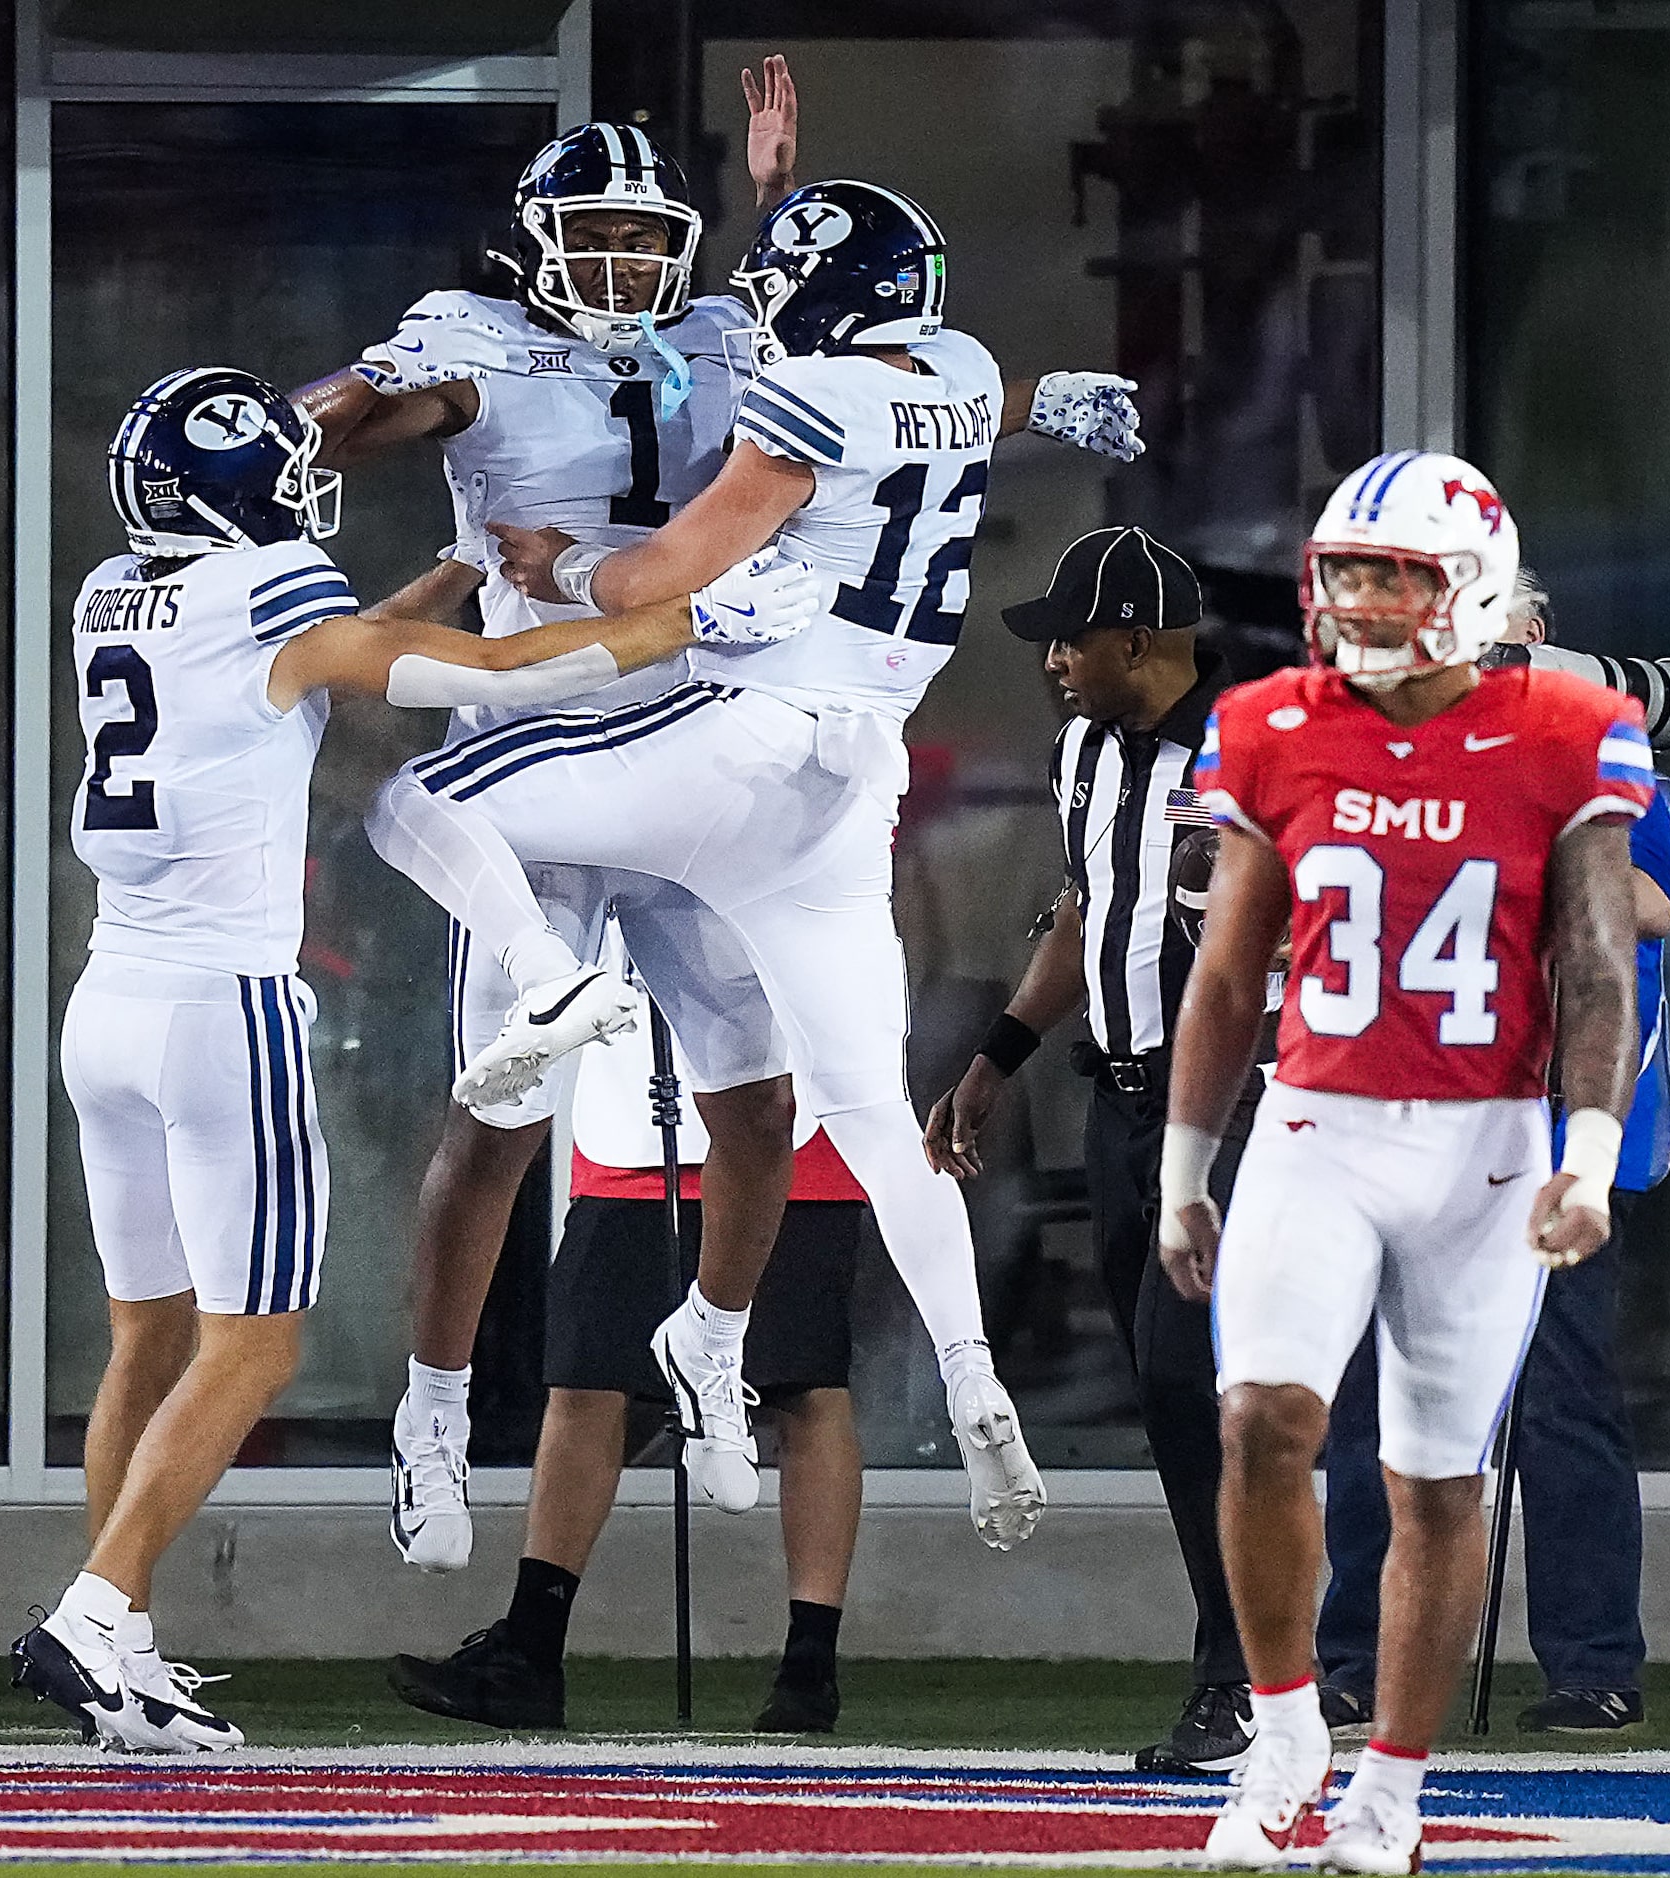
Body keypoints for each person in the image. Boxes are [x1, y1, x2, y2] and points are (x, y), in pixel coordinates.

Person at [10, 367, 813, 1753]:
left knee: (147, 1335)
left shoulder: (113, 594)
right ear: (237, 489)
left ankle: (123, 1632)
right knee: (254, 1345)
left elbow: (316, 663)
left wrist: (445, 568)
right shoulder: (266, 600)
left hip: (111, 1000)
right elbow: (502, 671)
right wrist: (698, 615)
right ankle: (91, 1614)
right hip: (224, 1008)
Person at [365, 179, 1145, 1550]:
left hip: (711, 743)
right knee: (850, 1106)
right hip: (851, 779)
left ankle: (577, 1045)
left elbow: (658, 569)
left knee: (413, 802)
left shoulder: (794, 394)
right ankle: (955, 1377)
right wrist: (1040, 393)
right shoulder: (951, 364)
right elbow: (961, 393)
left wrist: (557, 569)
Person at [289, 79, 808, 1575]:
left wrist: (781, 208)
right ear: (537, 244)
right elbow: (391, 410)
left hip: (686, 755)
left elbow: (827, 349)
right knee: (502, 1115)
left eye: (653, 239)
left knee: (758, 1101)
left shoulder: (724, 333)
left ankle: (709, 1343)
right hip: (528, 763)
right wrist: (307, 428)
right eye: (600, 238)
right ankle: (434, 1416)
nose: (631, 266)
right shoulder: (476, 335)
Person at [1158, 450, 1651, 1871]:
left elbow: (1595, 961)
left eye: (1398, 574)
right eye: (1347, 572)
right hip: (1314, 1123)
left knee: (1437, 1476)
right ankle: (1282, 1721)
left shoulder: (1571, 726)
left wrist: (1589, 1154)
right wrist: (1191, 1160)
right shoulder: (1266, 723)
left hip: (1488, 1147)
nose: (1365, 601)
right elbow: (1226, 968)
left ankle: (1391, 1787)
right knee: (1259, 1420)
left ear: (1474, 585)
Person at [1314, 568, 1670, 1737]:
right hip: (1417, 1125)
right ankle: (1358, 1656)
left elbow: (1653, 907)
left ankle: (1592, 1663)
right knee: (1379, 1400)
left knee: (1563, 1400)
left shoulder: (1608, 759)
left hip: (1552, 1133)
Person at [920, 526, 1256, 1772]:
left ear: (1138, 640)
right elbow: (1085, 914)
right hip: (1117, 1102)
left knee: (1195, 1382)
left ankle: (1247, 1673)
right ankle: (1249, 1659)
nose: (1053, 659)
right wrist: (996, 1056)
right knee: (1170, 1397)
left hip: (1228, 1104)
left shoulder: (1245, 748)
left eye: (1071, 637)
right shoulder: (1079, 753)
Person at [391, 924, 868, 1735]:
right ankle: (531, 1650)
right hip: (624, 1111)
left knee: (803, 1381)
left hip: (781, 1103)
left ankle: (808, 1667)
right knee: (583, 1378)